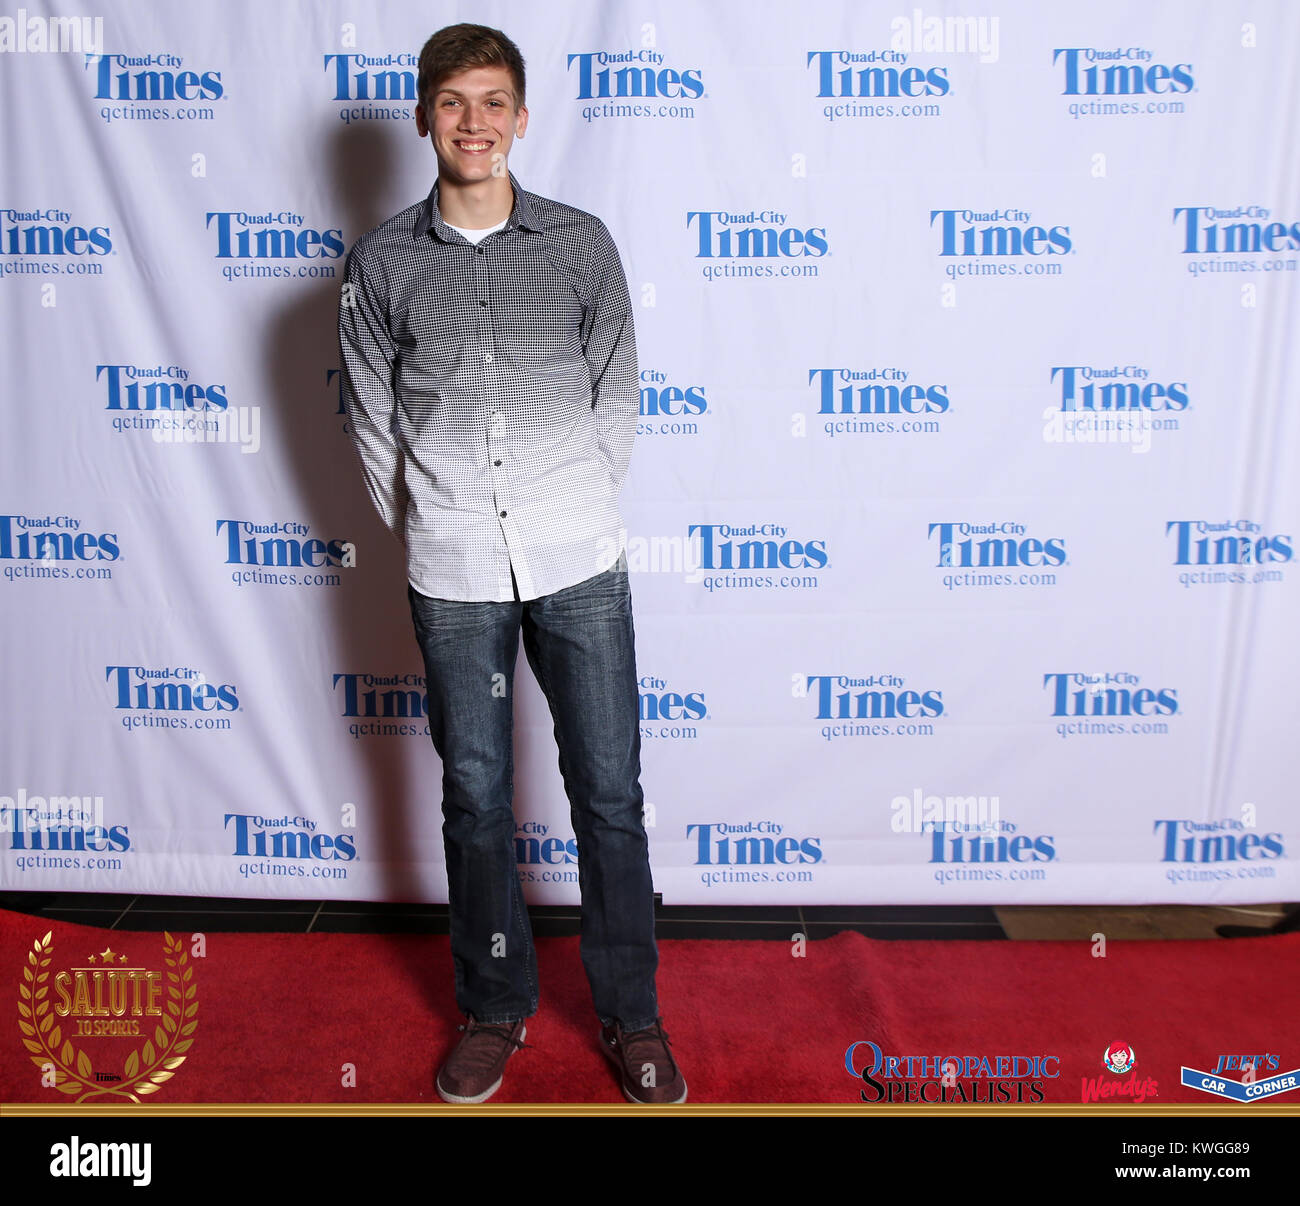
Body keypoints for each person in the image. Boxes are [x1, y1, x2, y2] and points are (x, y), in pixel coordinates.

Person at [336, 22, 685, 1106]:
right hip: (453, 572)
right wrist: (436, 519)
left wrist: (571, 499)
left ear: (521, 117)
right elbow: (371, 423)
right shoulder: (383, 262)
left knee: (610, 795)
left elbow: (616, 395)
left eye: (493, 101)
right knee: (476, 798)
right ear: (424, 117)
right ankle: (494, 1009)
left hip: (575, 555)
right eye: (453, 102)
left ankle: (633, 1017)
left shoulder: (580, 245)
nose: (474, 123)